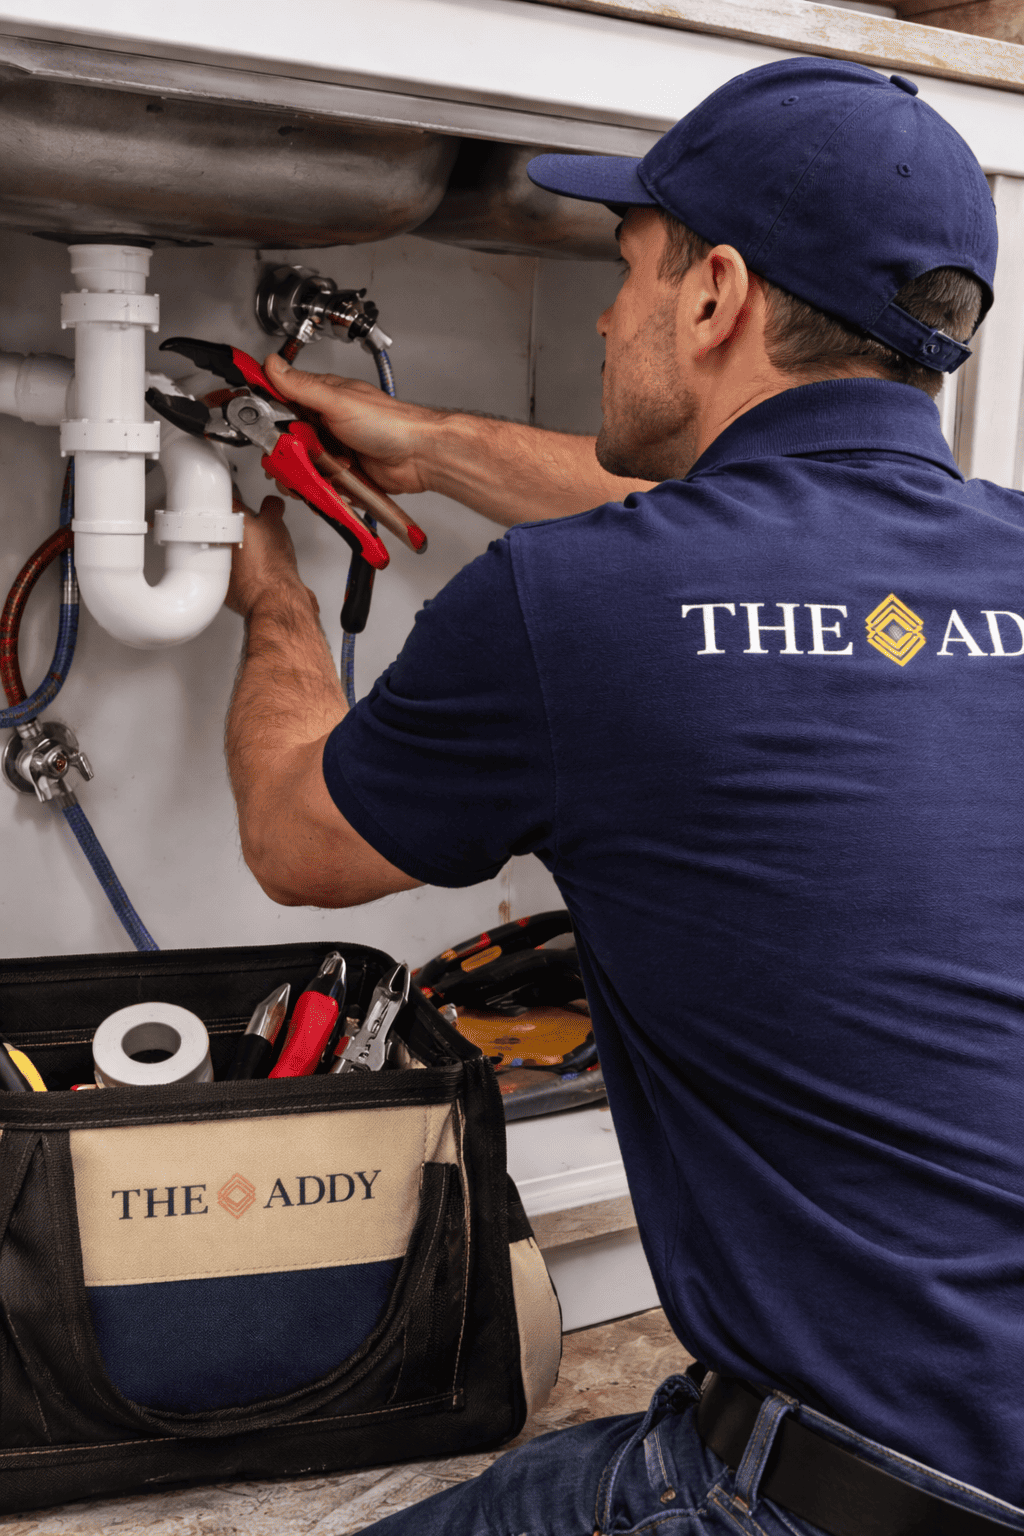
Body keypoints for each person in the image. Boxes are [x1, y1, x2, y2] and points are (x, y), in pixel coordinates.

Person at [224, 55, 1024, 1536]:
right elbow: (775, 549)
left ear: (715, 293)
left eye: (627, 268)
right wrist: (443, 446)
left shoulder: (571, 609)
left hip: (842, 1490)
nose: (605, 315)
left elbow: (293, 833)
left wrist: (265, 602)